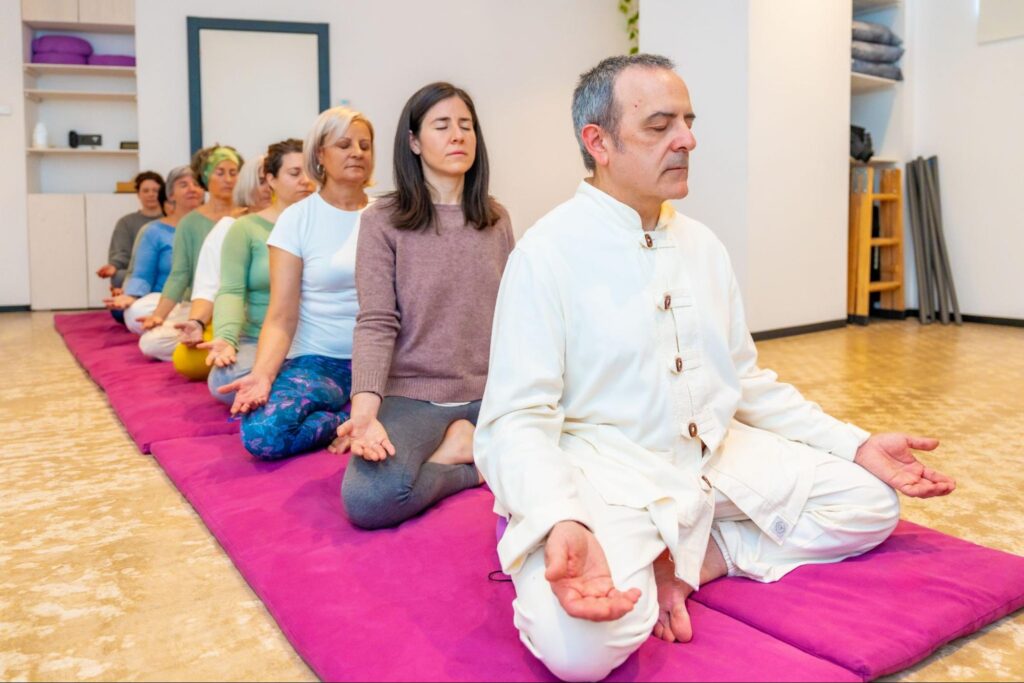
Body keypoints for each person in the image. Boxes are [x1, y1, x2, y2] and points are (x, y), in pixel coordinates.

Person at [473, 54, 956, 682]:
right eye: (660, 125)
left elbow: (745, 381)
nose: (687, 139)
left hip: (708, 463)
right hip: (606, 476)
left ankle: (697, 559)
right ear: (599, 143)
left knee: (871, 504)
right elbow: (515, 421)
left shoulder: (702, 244)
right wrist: (560, 515)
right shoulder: (546, 254)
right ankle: (636, 553)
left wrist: (856, 444)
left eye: (689, 121)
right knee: (579, 653)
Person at [334, 83, 515, 530]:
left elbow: (517, 314)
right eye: (442, 125)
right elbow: (376, 321)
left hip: (494, 395)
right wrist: (365, 411)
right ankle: (468, 463)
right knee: (369, 499)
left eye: (466, 126)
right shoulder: (381, 220)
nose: (458, 136)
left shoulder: (495, 218)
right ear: (413, 142)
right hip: (417, 395)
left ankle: (470, 446)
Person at [219, 107, 372, 460]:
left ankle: (369, 412)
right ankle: (347, 419)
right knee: (262, 434)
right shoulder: (297, 219)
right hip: (320, 362)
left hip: (385, 363)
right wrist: (261, 374)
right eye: (345, 144)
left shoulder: (389, 215)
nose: (357, 153)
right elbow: (281, 316)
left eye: (365, 145)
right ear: (319, 154)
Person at [203, 139, 314, 404]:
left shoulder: (322, 224)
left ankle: (294, 390)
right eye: (295, 173)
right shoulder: (245, 228)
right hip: (259, 340)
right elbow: (231, 290)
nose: (306, 181)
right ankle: (306, 390)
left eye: (311, 171)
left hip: (315, 341)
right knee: (224, 379)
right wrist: (226, 338)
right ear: (271, 179)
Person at [137, 145, 242, 362]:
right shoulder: (190, 223)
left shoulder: (248, 213)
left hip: (240, 304)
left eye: (233, 172)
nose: (228, 180)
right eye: (220, 173)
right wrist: (158, 315)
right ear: (205, 178)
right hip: (198, 307)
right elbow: (180, 274)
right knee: (151, 342)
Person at [171, 154, 271, 380]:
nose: (269, 187)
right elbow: (209, 287)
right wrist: (196, 322)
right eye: (261, 180)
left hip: (286, 330)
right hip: (237, 324)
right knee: (186, 360)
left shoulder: (297, 224)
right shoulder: (229, 227)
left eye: (273, 179)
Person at [104, 167, 204, 332]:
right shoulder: (153, 230)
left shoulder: (216, 225)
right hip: (162, 300)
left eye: (196, 184)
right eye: (184, 185)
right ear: (171, 194)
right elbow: (143, 274)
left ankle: (179, 328)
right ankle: (185, 327)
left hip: (202, 300)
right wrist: (132, 296)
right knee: (135, 313)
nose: (192, 189)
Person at [96, 171, 166, 292]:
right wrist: (114, 266)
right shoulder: (125, 222)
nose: (151, 194)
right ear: (138, 194)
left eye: (155, 190)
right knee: (119, 276)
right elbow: (121, 252)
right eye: (146, 191)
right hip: (137, 273)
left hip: (165, 272)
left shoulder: (173, 220)